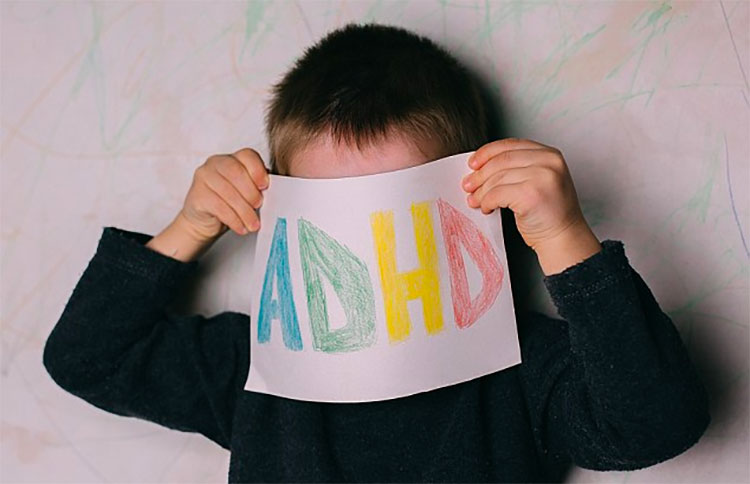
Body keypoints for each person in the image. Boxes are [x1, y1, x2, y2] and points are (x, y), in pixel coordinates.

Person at [43, 22, 710, 483]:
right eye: (335, 216)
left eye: (396, 206)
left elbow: (655, 424)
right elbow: (88, 358)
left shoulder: (519, 370)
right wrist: (190, 225)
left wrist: (564, 238)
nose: (362, 248)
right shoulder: (257, 373)